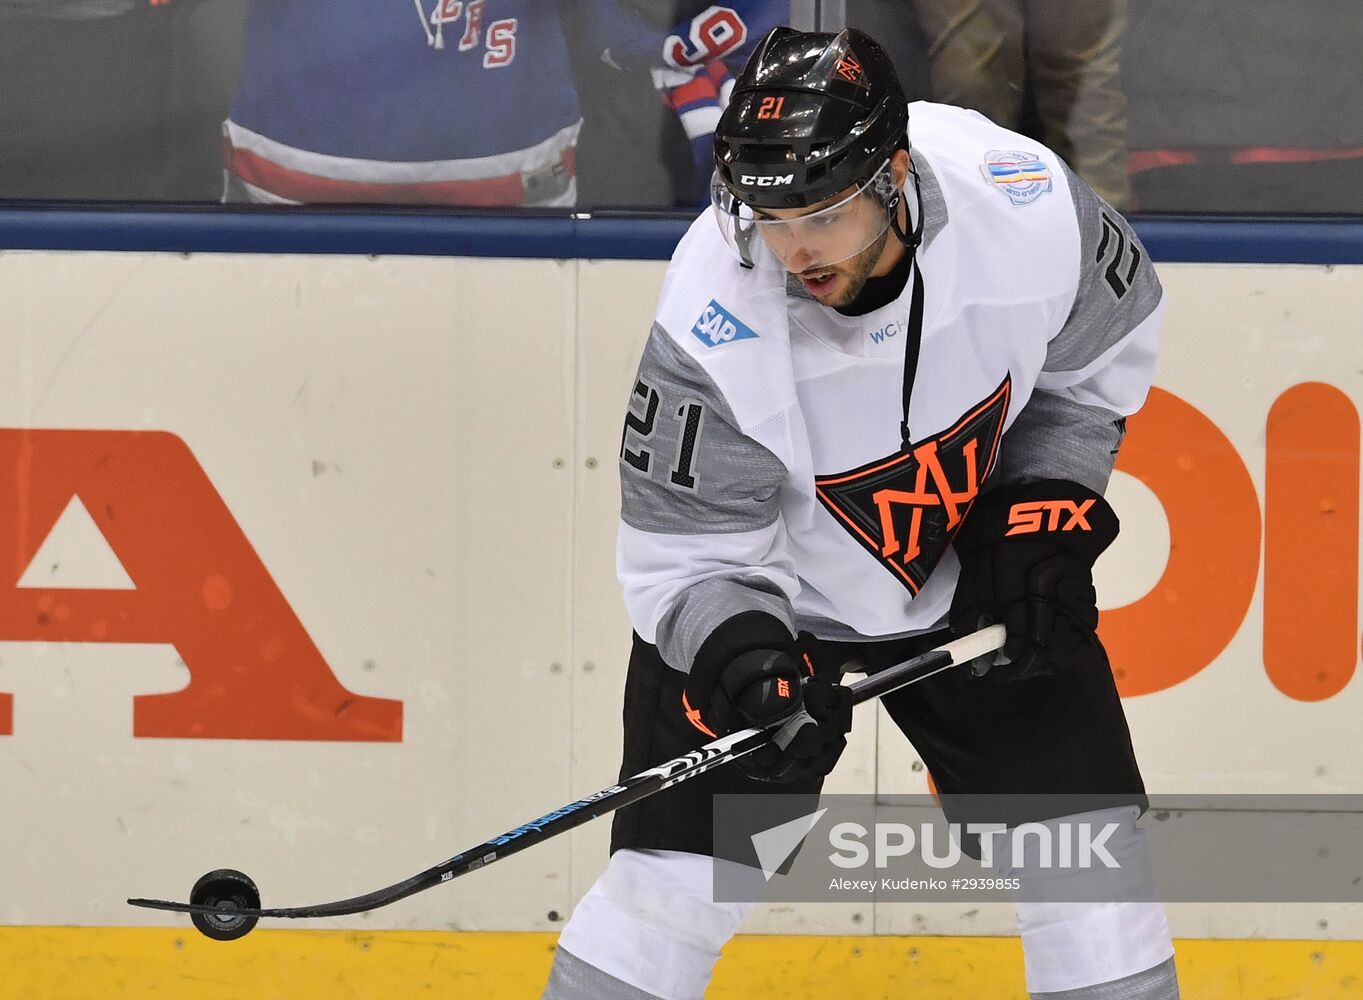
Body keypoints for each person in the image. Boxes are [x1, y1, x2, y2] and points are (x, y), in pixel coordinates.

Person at [542, 25, 1176, 1000]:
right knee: (673, 893)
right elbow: (684, 565)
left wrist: (1042, 507)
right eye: (769, 212)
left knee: (1088, 873)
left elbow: (1088, 376)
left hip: (973, 585)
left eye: (820, 214)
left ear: (893, 175)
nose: (790, 246)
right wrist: (748, 657)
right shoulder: (713, 314)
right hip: (775, 612)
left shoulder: (1025, 203)